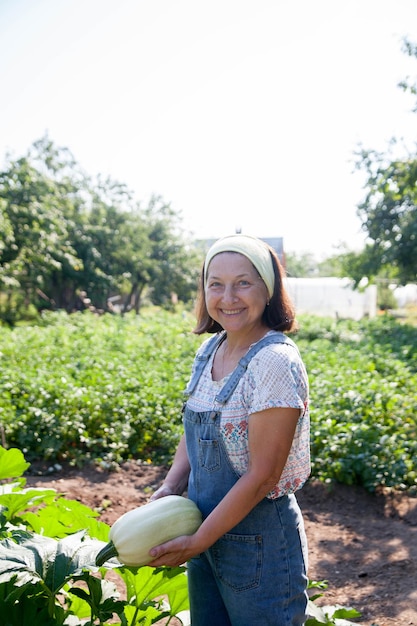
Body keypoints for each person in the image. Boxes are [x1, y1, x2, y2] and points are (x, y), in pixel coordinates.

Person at [148, 234, 310, 626]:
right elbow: (195, 428)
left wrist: (198, 540)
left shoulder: (273, 362)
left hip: (258, 546)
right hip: (204, 535)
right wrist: (171, 486)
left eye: (243, 282)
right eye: (215, 284)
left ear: (268, 290)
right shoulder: (210, 350)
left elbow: (262, 475)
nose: (228, 296)